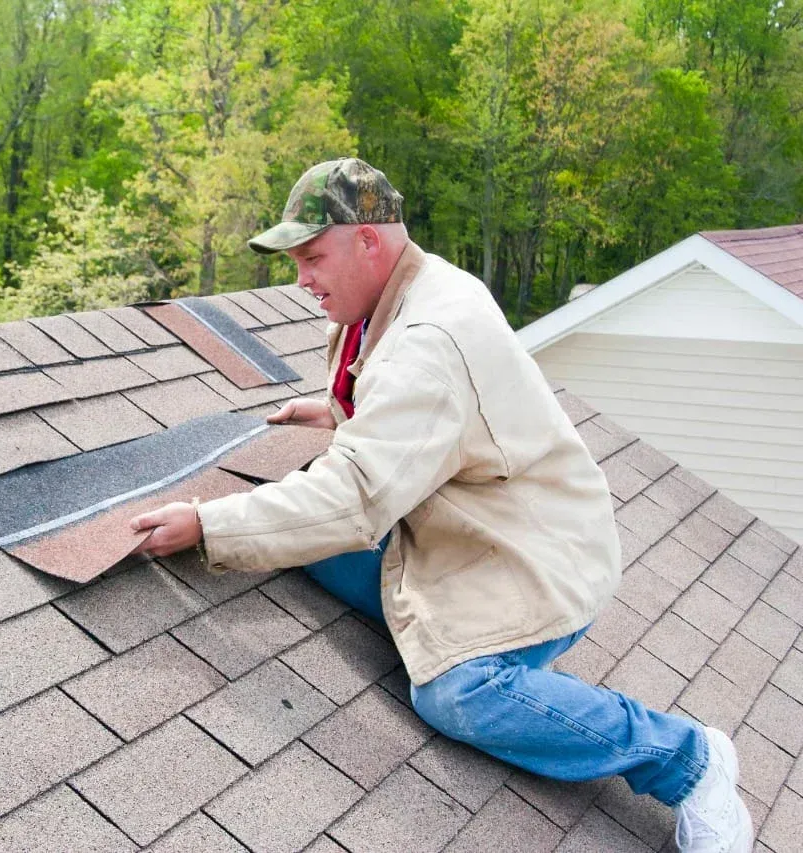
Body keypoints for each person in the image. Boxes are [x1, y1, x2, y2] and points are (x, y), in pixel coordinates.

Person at [129, 158, 752, 853]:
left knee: (455, 688)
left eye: (311, 257)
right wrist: (344, 413)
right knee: (291, 535)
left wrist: (207, 523)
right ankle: (447, 625)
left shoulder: (432, 337)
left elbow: (357, 496)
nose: (301, 279)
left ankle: (685, 758)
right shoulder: (394, 296)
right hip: (456, 520)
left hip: (531, 553)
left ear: (368, 241)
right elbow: (405, 414)